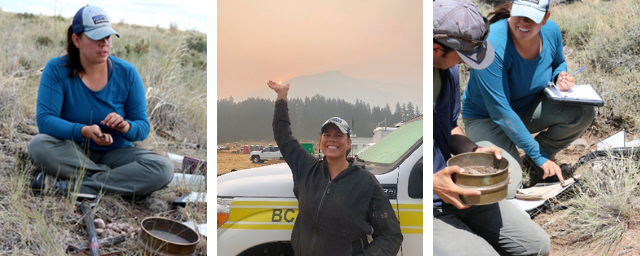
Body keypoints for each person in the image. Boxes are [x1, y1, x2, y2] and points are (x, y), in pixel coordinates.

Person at [432, 0, 550, 255]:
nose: (463, 65)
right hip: (424, 202)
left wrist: (475, 150)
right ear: (435, 49)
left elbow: (449, 128)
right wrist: (430, 183)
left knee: (537, 246)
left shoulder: (448, 71)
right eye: (462, 58)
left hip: (459, 187)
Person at [28, 5, 173, 197]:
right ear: (76, 40)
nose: (104, 43)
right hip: (72, 151)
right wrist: (83, 131)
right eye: (96, 38)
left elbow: (142, 128)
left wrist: (124, 127)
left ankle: (69, 186)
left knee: (163, 168)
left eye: (108, 37)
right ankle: (117, 181)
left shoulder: (128, 73)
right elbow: (45, 121)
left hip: (115, 154)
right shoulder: (57, 69)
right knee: (38, 145)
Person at [461, 0, 595, 191]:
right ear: (511, 7)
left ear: (545, 18)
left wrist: (560, 76)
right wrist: (541, 157)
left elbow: (559, 62)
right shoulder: (491, 45)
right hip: (487, 118)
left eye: (533, 17)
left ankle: (532, 162)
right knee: (506, 189)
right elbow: (501, 113)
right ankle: (535, 158)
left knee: (583, 111)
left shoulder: (551, 32)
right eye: (521, 14)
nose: (524, 22)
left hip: (526, 109)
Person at [268, 80, 402, 255]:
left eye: (338, 135)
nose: (332, 139)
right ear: (320, 141)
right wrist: (281, 97)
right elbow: (283, 135)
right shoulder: (307, 168)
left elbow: (390, 236)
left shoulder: (365, 182)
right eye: (327, 135)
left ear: (348, 143)